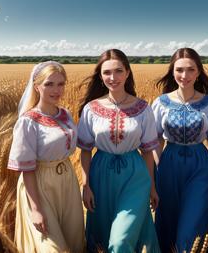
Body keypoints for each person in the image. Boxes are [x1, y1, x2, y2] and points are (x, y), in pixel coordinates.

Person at [77, 49, 160, 253]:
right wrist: (86, 184)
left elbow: (148, 152)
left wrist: (151, 186)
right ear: (100, 75)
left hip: (135, 175)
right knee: (104, 237)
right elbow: (85, 151)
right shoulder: (91, 108)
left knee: (120, 241)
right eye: (106, 72)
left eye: (118, 71)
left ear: (128, 72)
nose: (112, 78)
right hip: (101, 174)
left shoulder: (143, 108)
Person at [7, 61, 85, 252]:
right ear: (36, 86)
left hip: (67, 181)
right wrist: (35, 209)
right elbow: (27, 168)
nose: (56, 90)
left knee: (74, 240)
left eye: (61, 84)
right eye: (49, 84)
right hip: (40, 184)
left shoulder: (65, 114)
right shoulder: (28, 121)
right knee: (51, 247)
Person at [152, 48, 208, 252]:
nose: (185, 75)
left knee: (191, 227)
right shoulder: (160, 103)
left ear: (199, 72)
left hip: (200, 166)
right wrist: (158, 169)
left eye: (191, 70)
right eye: (180, 70)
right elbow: (156, 140)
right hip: (168, 165)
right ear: (172, 72)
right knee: (169, 222)